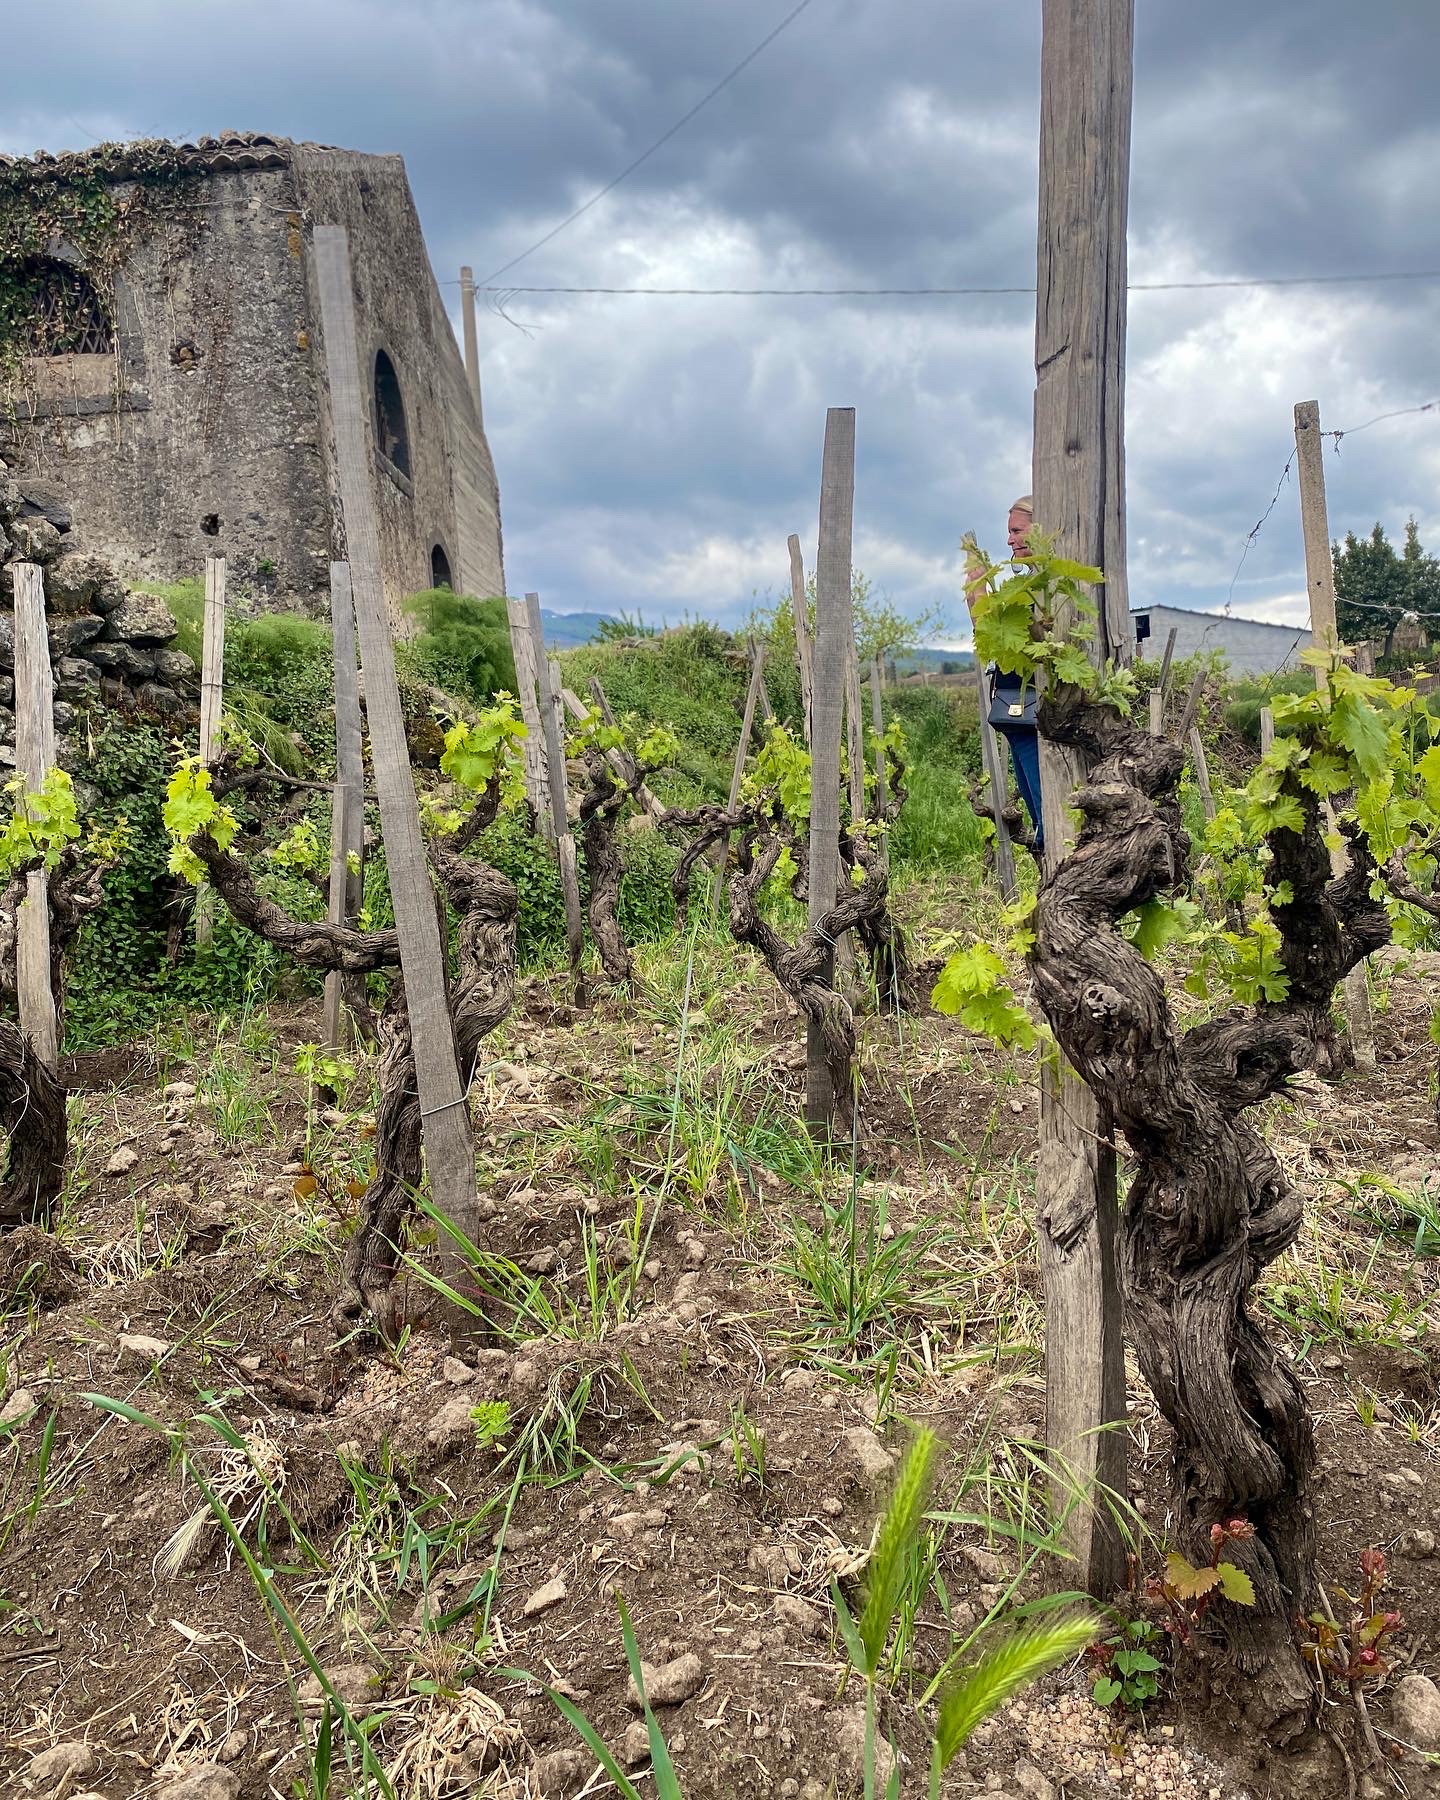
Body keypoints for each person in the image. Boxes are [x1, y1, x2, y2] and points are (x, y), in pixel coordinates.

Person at [966, 495, 1044, 851]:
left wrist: (978, 595)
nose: (1010, 540)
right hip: (1017, 712)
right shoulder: (1022, 587)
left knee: (1049, 823)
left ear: (1040, 530)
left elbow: (998, 643)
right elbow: (990, 642)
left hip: (1035, 714)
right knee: (1039, 815)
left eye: (1017, 531)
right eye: (1009, 532)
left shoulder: (1042, 589)